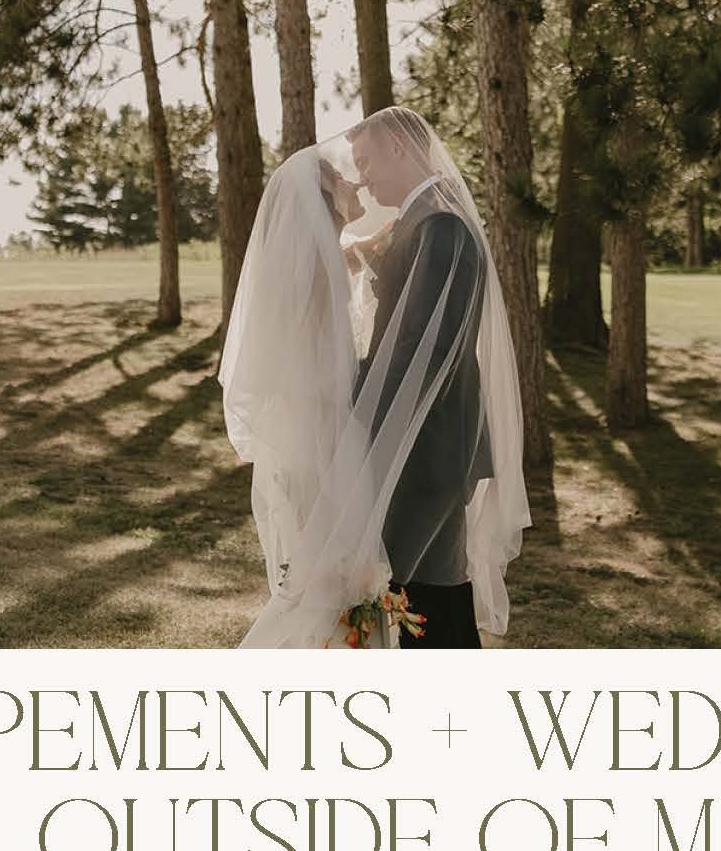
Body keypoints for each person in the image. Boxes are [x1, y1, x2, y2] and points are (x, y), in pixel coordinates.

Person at [223, 107, 528, 649]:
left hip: (422, 452)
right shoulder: (421, 222)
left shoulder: (440, 227)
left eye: (366, 160)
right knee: (421, 603)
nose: (361, 175)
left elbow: (421, 357)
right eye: (351, 167)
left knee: (419, 601)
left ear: (399, 148)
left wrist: (358, 429)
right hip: (407, 450)